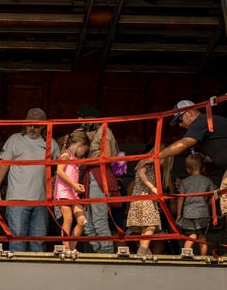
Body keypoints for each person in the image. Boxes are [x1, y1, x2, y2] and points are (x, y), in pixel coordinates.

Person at [159, 100, 227, 252]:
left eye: (180, 119)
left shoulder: (201, 122)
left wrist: (157, 156)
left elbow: (183, 144)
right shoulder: (209, 123)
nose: (180, 125)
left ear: (189, 113)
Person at [0, 108, 61, 252]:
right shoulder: (14, 139)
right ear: (24, 123)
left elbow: (60, 168)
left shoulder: (51, 143)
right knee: (17, 240)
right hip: (17, 199)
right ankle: (16, 273)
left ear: (43, 126)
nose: (32, 128)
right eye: (29, 124)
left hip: (42, 200)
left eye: (36, 125)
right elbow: (2, 165)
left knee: (39, 241)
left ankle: (37, 274)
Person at [77, 105, 121, 254]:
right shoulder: (91, 133)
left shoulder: (104, 130)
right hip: (90, 179)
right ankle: (99, 252)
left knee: (99, 221)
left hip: (99, 178)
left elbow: (106, 156)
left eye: (83, 120)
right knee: (87, 224)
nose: (81, 124)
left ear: (90, 119)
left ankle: (107, 252)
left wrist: (83, 163)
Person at [54, 129, 89, 255]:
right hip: (63, 193)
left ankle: (72, 247)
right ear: (80, 144)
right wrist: (73, 184)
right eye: (84, 150)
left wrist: (77, 186)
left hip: (73, 194)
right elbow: (59, 170)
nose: (83, 154)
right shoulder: (66, 154)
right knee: (68, 218)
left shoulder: (73, 157)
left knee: (82, 220)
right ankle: (66, 247)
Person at [176, 153, 217, 257]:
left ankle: (185, 256)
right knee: (202, 238)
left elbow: (180, 197)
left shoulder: (185, 182)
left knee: (191, 236)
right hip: (202, 213)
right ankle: (203, 259)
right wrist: (208, 202)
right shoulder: (207, 180)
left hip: (188, 214)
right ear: (203, 168)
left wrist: (179, 214)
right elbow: (215, 195)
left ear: (187, 170)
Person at [126, 155, 162, 256]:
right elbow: (142, 174)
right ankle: (143, 248)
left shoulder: (145, 163)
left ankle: (144, 249)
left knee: (145, 226)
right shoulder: (148, 163)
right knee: (152, 223)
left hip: (140, 197)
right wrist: (153, 188)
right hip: (145, 197)